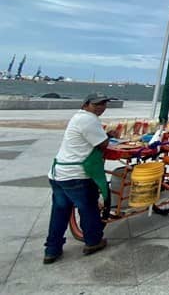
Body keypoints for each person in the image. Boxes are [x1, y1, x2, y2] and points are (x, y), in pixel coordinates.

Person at [44, 93, 112, 264]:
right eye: (97, 104)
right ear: (86, 104)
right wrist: (110, 135)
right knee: (89, 208)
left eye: (104, 104)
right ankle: (93, 242)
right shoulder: (89, 119)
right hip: (75, 175)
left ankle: (52, 250)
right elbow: (103, 144)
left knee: (60, 211)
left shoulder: (78, 117)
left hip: (58, 173)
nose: (101, 107)